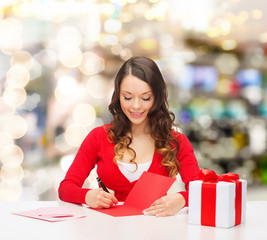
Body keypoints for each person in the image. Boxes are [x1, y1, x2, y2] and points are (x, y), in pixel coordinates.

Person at [58, 56, 200, 217]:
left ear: (157, 97)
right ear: (118, 96)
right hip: (109, 231)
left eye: (146, 98)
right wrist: (86, 196)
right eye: (127, 97)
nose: (136, 106)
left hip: (156, 232)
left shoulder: (176, 141)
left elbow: (201, 190)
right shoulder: (98, 137)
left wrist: (182, 199)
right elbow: (65, 188)